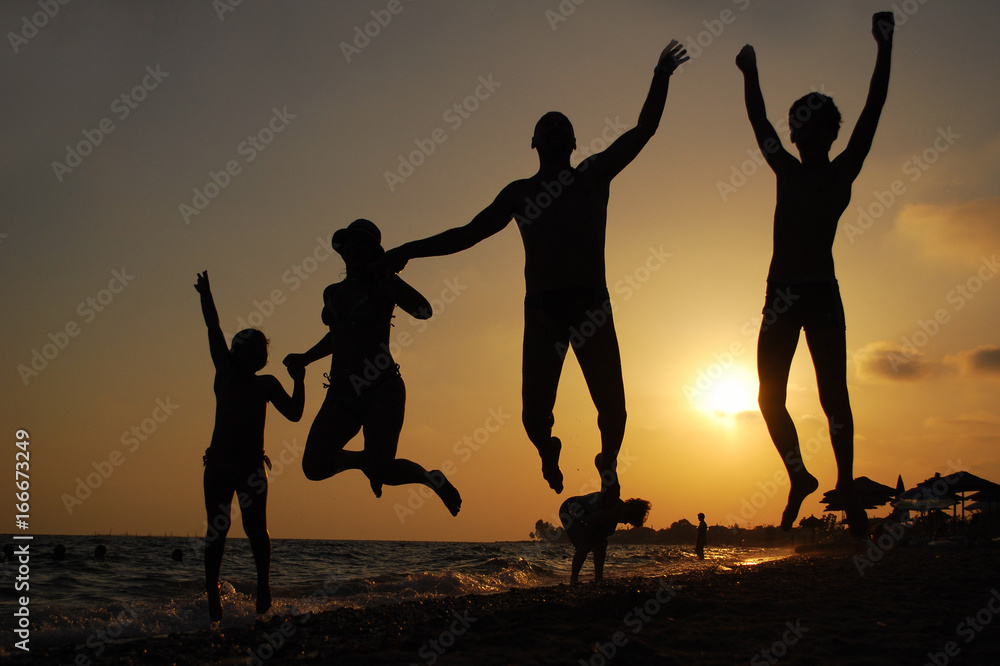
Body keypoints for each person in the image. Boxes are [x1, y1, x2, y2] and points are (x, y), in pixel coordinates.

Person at [383, 40, 689, 502]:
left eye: (559, 131)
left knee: (614, 409)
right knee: (533, 418)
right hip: (545, 311)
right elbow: (466, 234)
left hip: (590, 304)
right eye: (545, 131)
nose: (551, 135)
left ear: (570, 144)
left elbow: (643, 129)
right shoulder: (521, 193)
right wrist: (409, 248)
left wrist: (660, 75)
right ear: (534, 144)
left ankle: (608, 460)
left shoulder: (592, 176)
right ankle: (548, 450)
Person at [735, 13, 894, 538]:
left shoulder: (843, 169)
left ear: (828, 132)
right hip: (781, 294)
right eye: (800, 126)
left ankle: (847, 490)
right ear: (797, 133)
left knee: (835, 399)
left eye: (814, 126)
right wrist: (749, 72)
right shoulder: (785, 167)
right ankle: (800, 474)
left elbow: (873, 108)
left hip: (821, 292)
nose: (805, 133)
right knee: (767, 397)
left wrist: (884, 46)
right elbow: (759, 122)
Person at [283, 219, 462, 516]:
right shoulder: (332, 293)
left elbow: (424, 310)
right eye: (350, 243)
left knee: (384, 470)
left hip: (381, 390)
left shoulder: (382, 285)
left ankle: (430, 479)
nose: (354, 248)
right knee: (314, 467)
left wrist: (390, 277)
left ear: (374, 251)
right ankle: (363, 461)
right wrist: (305, 357)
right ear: (342, 251)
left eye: (362, 243)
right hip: (341, 395)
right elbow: (338, 336)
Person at [195, 270, 306, 623]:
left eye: (264, 350)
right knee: (218, 526)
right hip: (219, 464)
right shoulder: (225, 370)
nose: (262, 354)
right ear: (238, 352)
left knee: (256, 528)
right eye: (255, 348)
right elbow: (213, 328)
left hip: (252, 467)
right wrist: (205, 293)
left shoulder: (268, 385)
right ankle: (213, 591)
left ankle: (263, 583)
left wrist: (300, 381)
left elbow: (295, 414)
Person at [558, 492, 650, 584]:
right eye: (628, 520)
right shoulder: (611, 508)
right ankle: (574, 580)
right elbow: (592, 521)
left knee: (600, 545)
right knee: (584, 546)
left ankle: (598, 579)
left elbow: (605, 532)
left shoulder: (616, 512)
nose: (625, 523)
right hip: (568, 510)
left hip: (583, 513)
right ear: (627, 512)